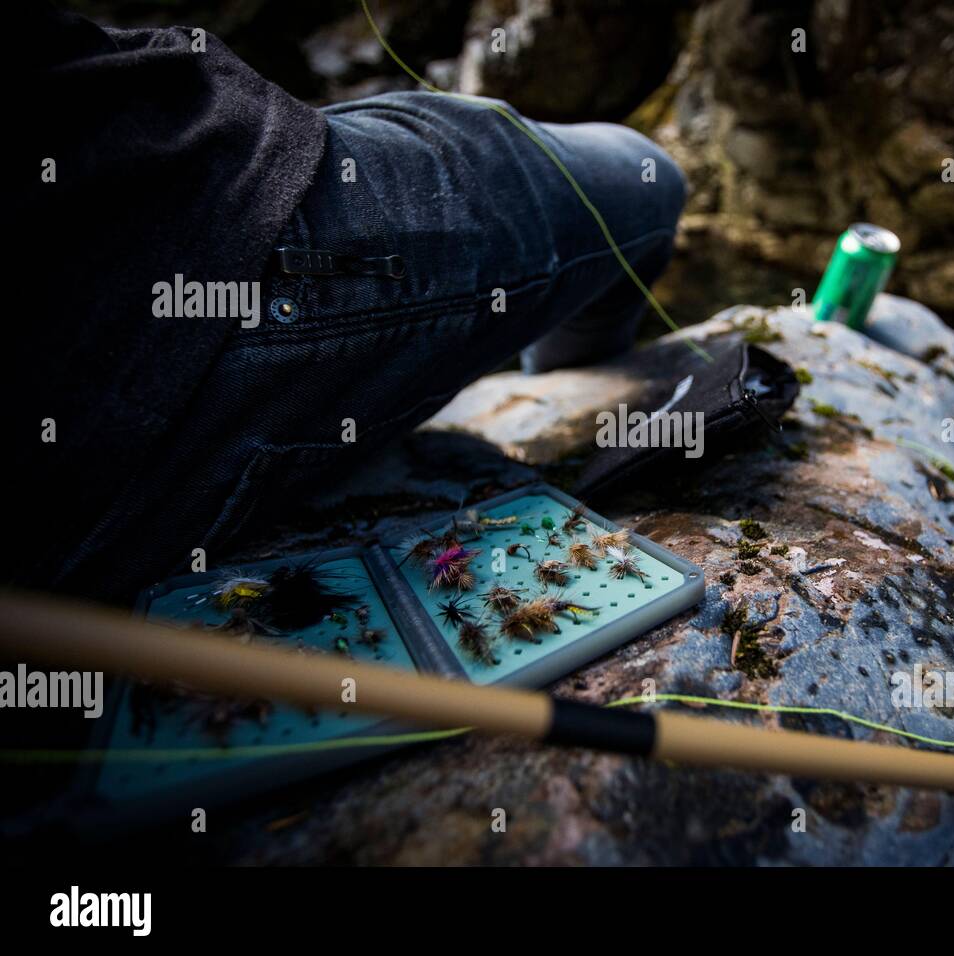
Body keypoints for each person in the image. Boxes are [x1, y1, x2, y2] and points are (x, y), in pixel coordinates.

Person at [12, 4, 686, 601]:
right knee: (649, 175)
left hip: (59, 517)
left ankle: (569, 389)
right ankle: (581, 385)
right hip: (223, 227)